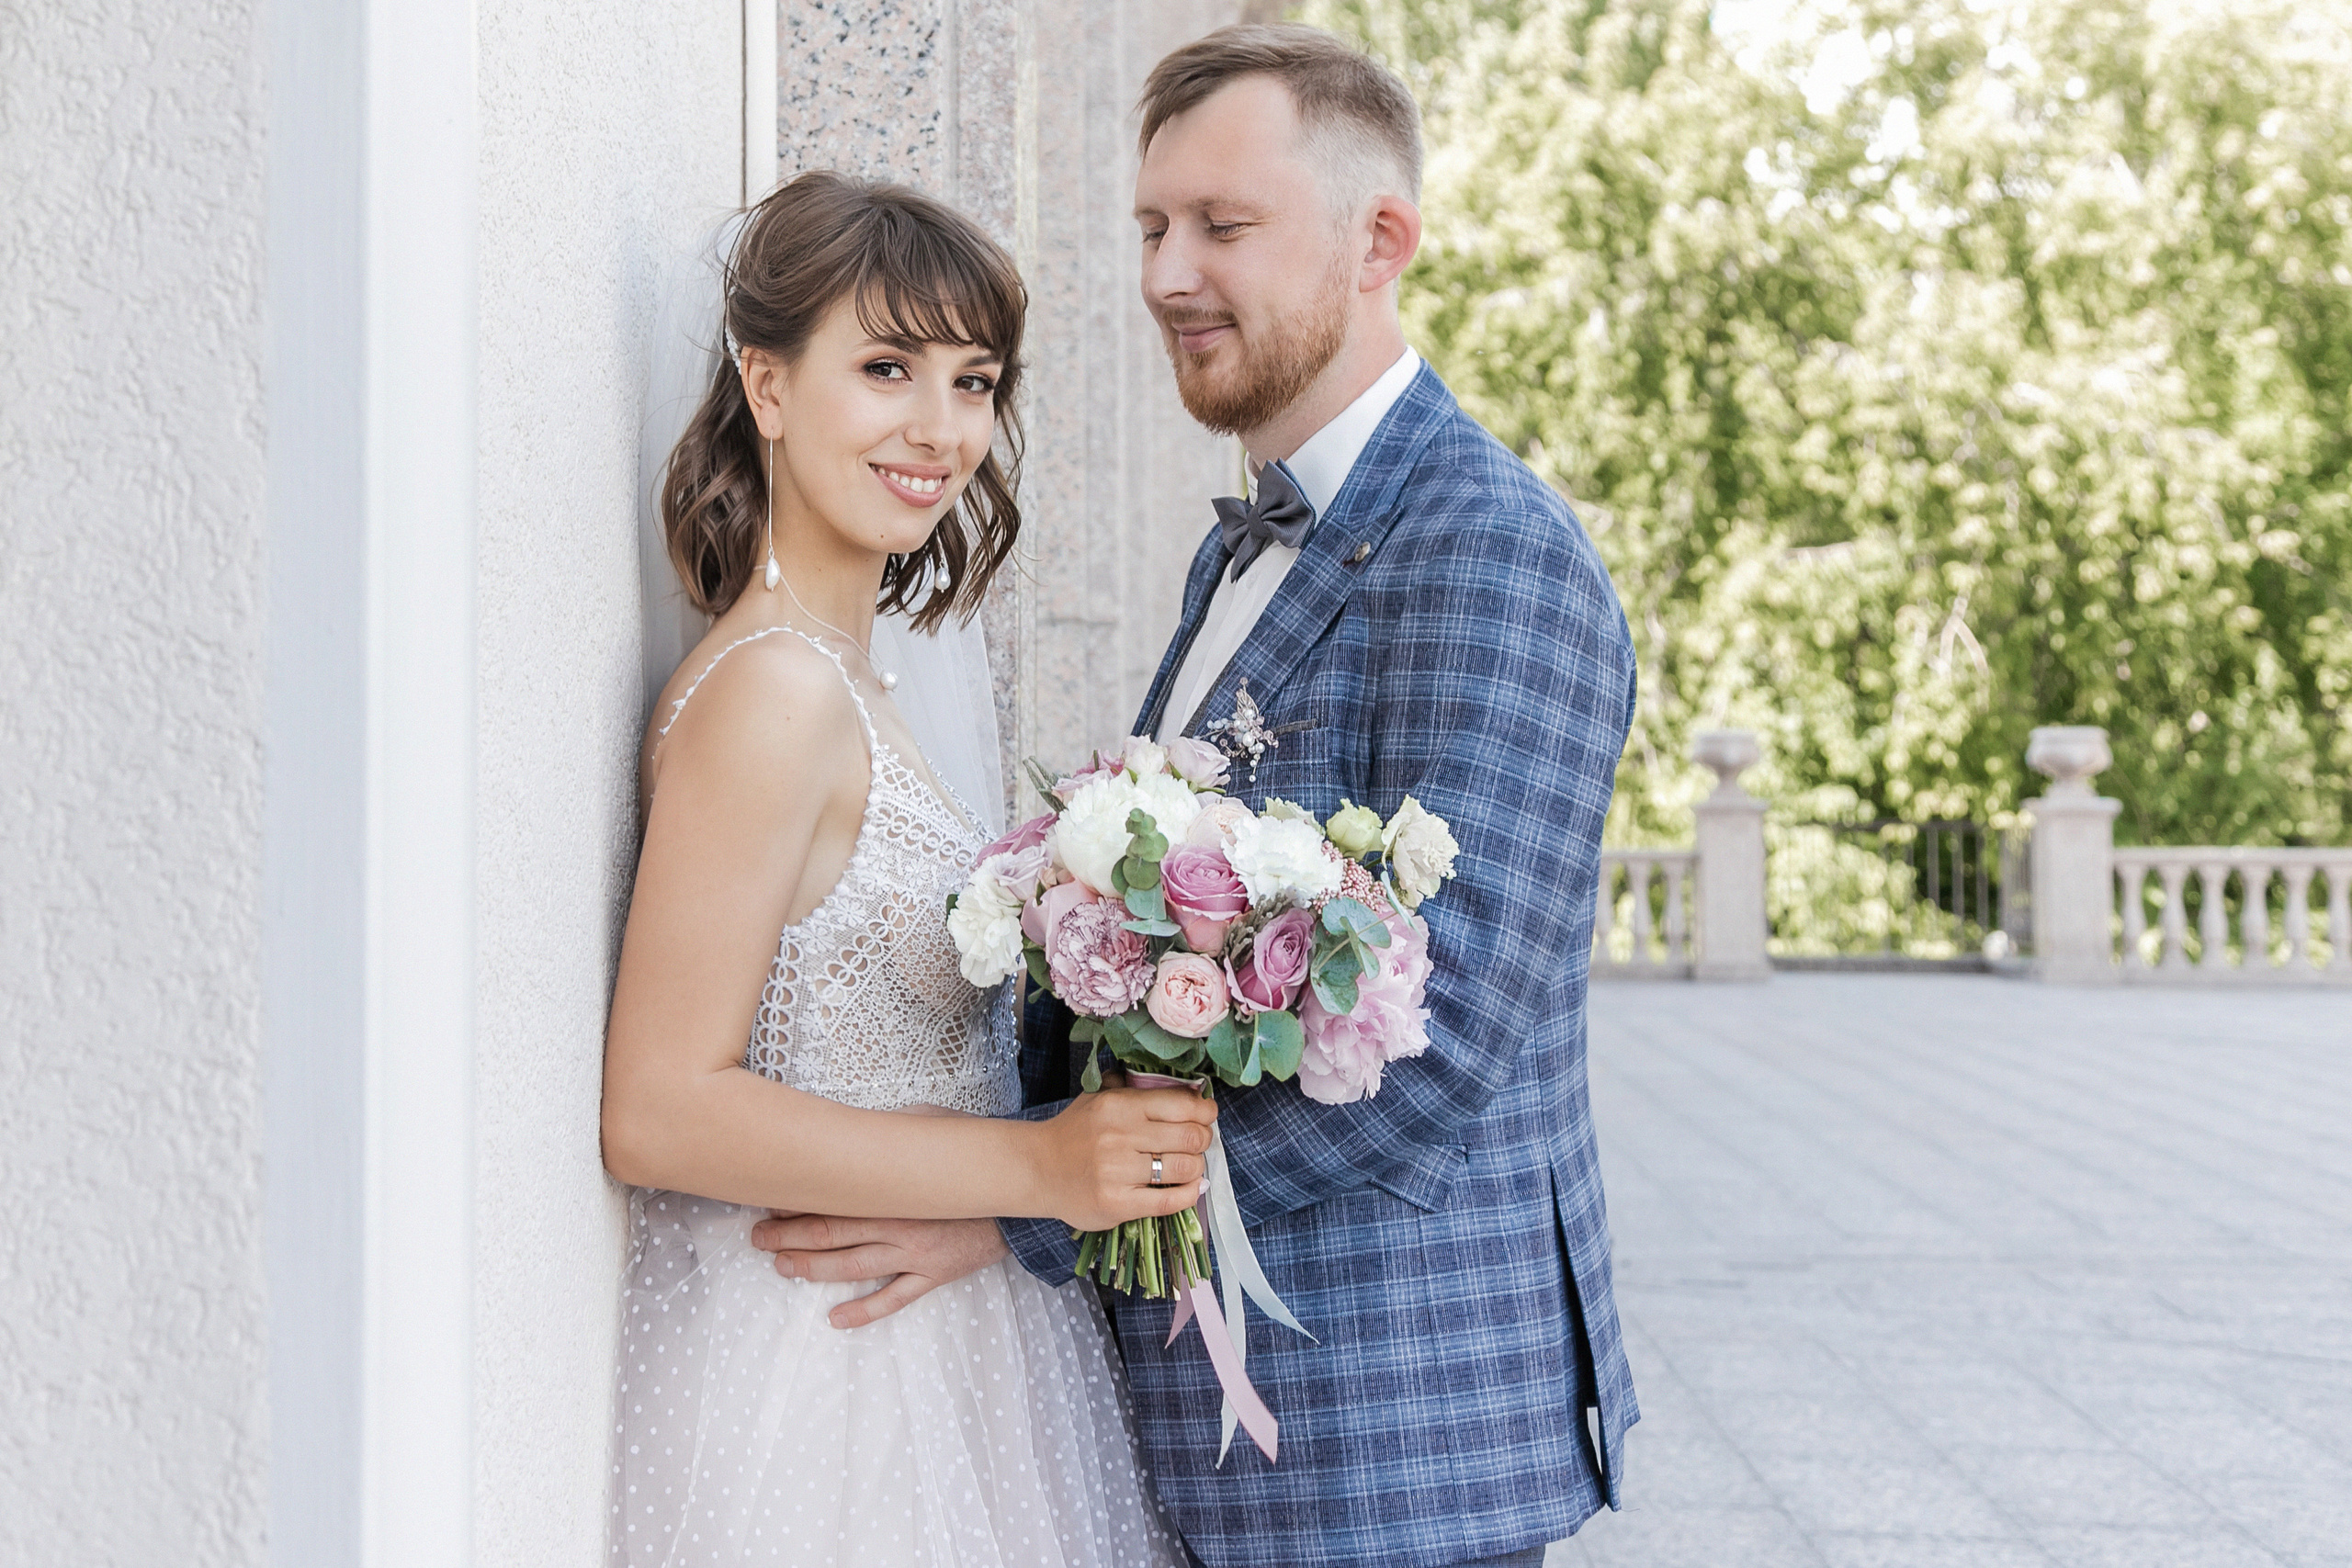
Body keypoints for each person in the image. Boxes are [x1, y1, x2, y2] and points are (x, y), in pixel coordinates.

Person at [754, 27, 1641, 1568]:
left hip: (1382, 1450)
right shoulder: (1232, 544)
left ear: (1383, 242)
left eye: (1223, 228)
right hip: (1197, 1432)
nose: (1168, 272)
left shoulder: (1496, 553)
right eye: (1153, 225)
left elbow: (1439, 1054)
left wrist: (1017, 1210)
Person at [600, 169, 1205, 1567]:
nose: (939, 430)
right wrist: (1037, 1168)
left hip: (942, 1345)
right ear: (767, 382)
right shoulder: (770, 697)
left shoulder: (855, 682)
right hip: (828, 1379)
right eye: (886, 369)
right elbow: (656, 1109)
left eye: (973, 381)